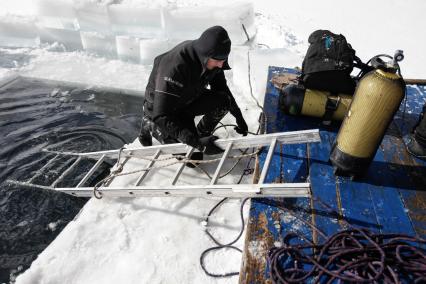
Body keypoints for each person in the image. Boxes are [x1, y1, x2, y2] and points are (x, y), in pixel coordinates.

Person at [138, 26, 248, 158]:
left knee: (224, 102)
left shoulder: (212, 58)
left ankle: (202, 133)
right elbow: (161, 115)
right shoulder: (175, 67)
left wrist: (239, 117)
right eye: (218, 61)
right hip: (164, 112)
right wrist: (198, 144)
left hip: (187, 100)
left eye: (223, 60)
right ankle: (149, 124)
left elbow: (221, 89)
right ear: (205, 55)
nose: (221, 65)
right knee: (194, 159)